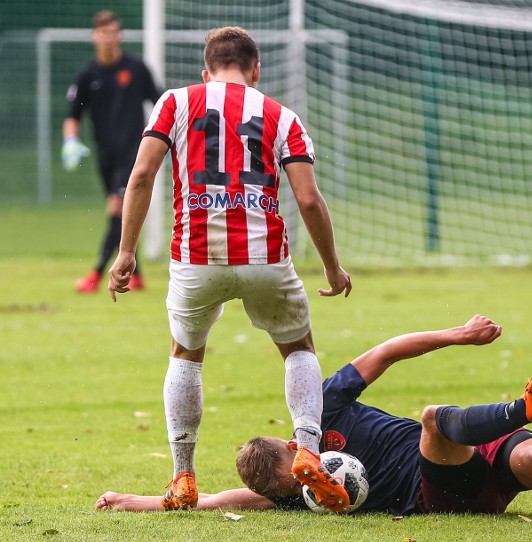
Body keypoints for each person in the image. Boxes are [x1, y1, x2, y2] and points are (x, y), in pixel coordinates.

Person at [96, 316, 532, 526]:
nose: (312, 475)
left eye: (307, 464)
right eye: (299, 484)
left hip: (472, 462)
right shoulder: (294, 498)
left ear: (293, 440)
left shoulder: (321, 405)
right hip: (435, 492)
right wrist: (132, 501)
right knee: (431, 421)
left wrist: (458, 335)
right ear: (280, 492)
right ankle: (528, 407)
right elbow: (215, 501)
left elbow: (388, 351)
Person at [106, 27, 353, 513]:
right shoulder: (281, 115)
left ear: (206, 71)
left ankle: (182, 477)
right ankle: (305, 448)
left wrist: (126, 253)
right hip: (265, 258)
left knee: (185, 353)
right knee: (297, 347)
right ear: (255, 71)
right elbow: (308, 198)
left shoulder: (175, 103)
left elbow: (140, 176)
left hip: (196, 257)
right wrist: (333, 267)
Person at [63, 10, 162, 293]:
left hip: (134, 151)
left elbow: (160, 102)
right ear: (95, 37)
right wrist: (70, 142)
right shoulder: (88, 75)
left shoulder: (136, 68)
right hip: (105, 155)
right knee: (123, 213)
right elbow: (72, 115)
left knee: (118, 207)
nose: (108, 38)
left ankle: (96, 274)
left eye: (113, 32)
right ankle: (138, 274)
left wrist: (158, 139)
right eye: (103, 33)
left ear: (119, 35)